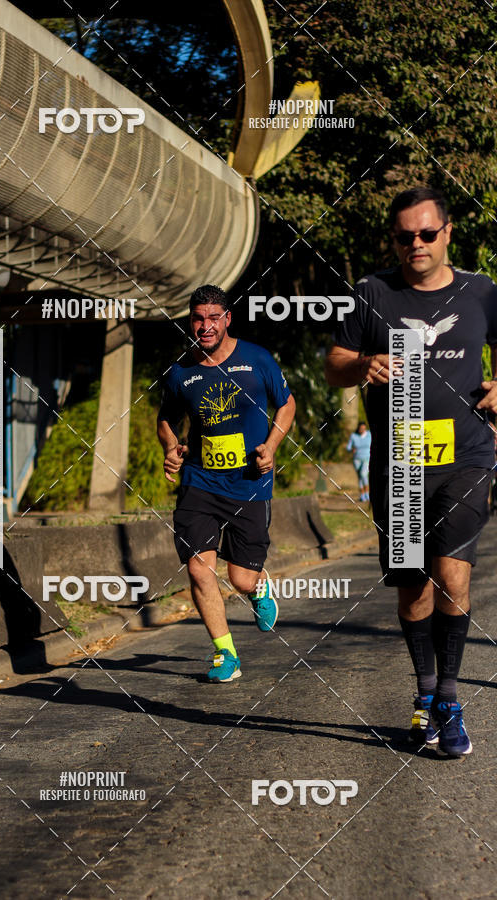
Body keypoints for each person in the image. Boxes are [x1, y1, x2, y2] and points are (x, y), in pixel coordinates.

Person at [325, 186, 497, 757]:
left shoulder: (481, 292)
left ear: (448, 233)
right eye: (405, 237)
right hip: (398, 464)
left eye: (427, 234)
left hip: (466, 457)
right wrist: (363, 363)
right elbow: (334, 364)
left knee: (453, 575)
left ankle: (449, 700)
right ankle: (424, 692)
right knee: (413, 589)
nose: (416, 244)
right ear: (393, 240)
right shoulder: (372, 293)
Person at [157, 284, 296, 682]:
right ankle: (225, 653)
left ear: (227, 319)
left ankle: (259, 587)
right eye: (198, 318)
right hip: (200, 482)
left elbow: (287, 403)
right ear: (191, 319)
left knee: (240, 578)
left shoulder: (256, 359)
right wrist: (171, 445)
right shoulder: (180, 370)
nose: (205, 326)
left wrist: (271, 445)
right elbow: (166, 418)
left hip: (249, 483)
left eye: (213, 318)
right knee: (199, 568)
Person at [347, 421, 371, 501]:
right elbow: (348, 447)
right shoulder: (354, 436)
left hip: (367, 458)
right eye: (361, 428)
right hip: (357, 459)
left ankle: (367, 493)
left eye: (364, 429)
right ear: (358, 428)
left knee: (363, 474)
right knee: (360, 477)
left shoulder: (369, 435)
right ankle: (362, 495)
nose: (362, 430)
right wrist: (352, 449)